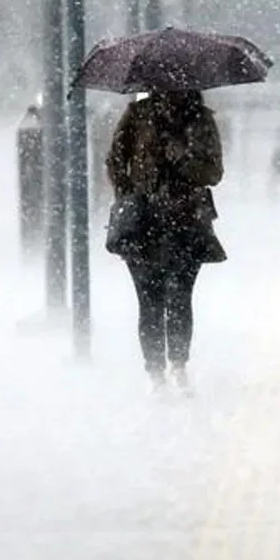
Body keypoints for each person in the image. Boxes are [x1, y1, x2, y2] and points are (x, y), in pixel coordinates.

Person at [105, 90, 226, 393]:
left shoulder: (200, 118)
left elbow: (213, 172)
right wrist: (130, 194)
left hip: (186, 220)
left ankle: (178, 365)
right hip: (143, 223)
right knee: (149, 300)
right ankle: (156, 372)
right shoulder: (137, 115)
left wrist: (183, 158)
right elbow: (115, 160)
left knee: (180, 297)